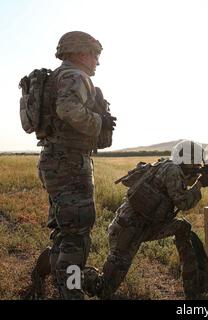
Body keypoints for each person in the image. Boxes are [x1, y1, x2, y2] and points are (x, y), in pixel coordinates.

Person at [36, 31, 116, 299]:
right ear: (80, 52)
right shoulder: (74, 75)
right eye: (94, 54)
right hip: (69, 162)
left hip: (55, 160)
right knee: (77, 233)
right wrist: (99, 122)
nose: (97, 61)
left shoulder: (57, 77)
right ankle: (71, 291)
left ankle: (57, 277)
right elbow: (69, 110)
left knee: (64, 228)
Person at [85, 140, 208, 300]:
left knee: (182, 227)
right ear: (184, 158)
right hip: (128, 229)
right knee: (104, 290)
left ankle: (194, 288)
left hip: (147, 226)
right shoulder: (172, 170)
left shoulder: (168, 166)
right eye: (194, 161)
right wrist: (199, 184)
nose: (196, 165)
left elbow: (179, 185)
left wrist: (198, 178)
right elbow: (183, 202)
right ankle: (71, 270)